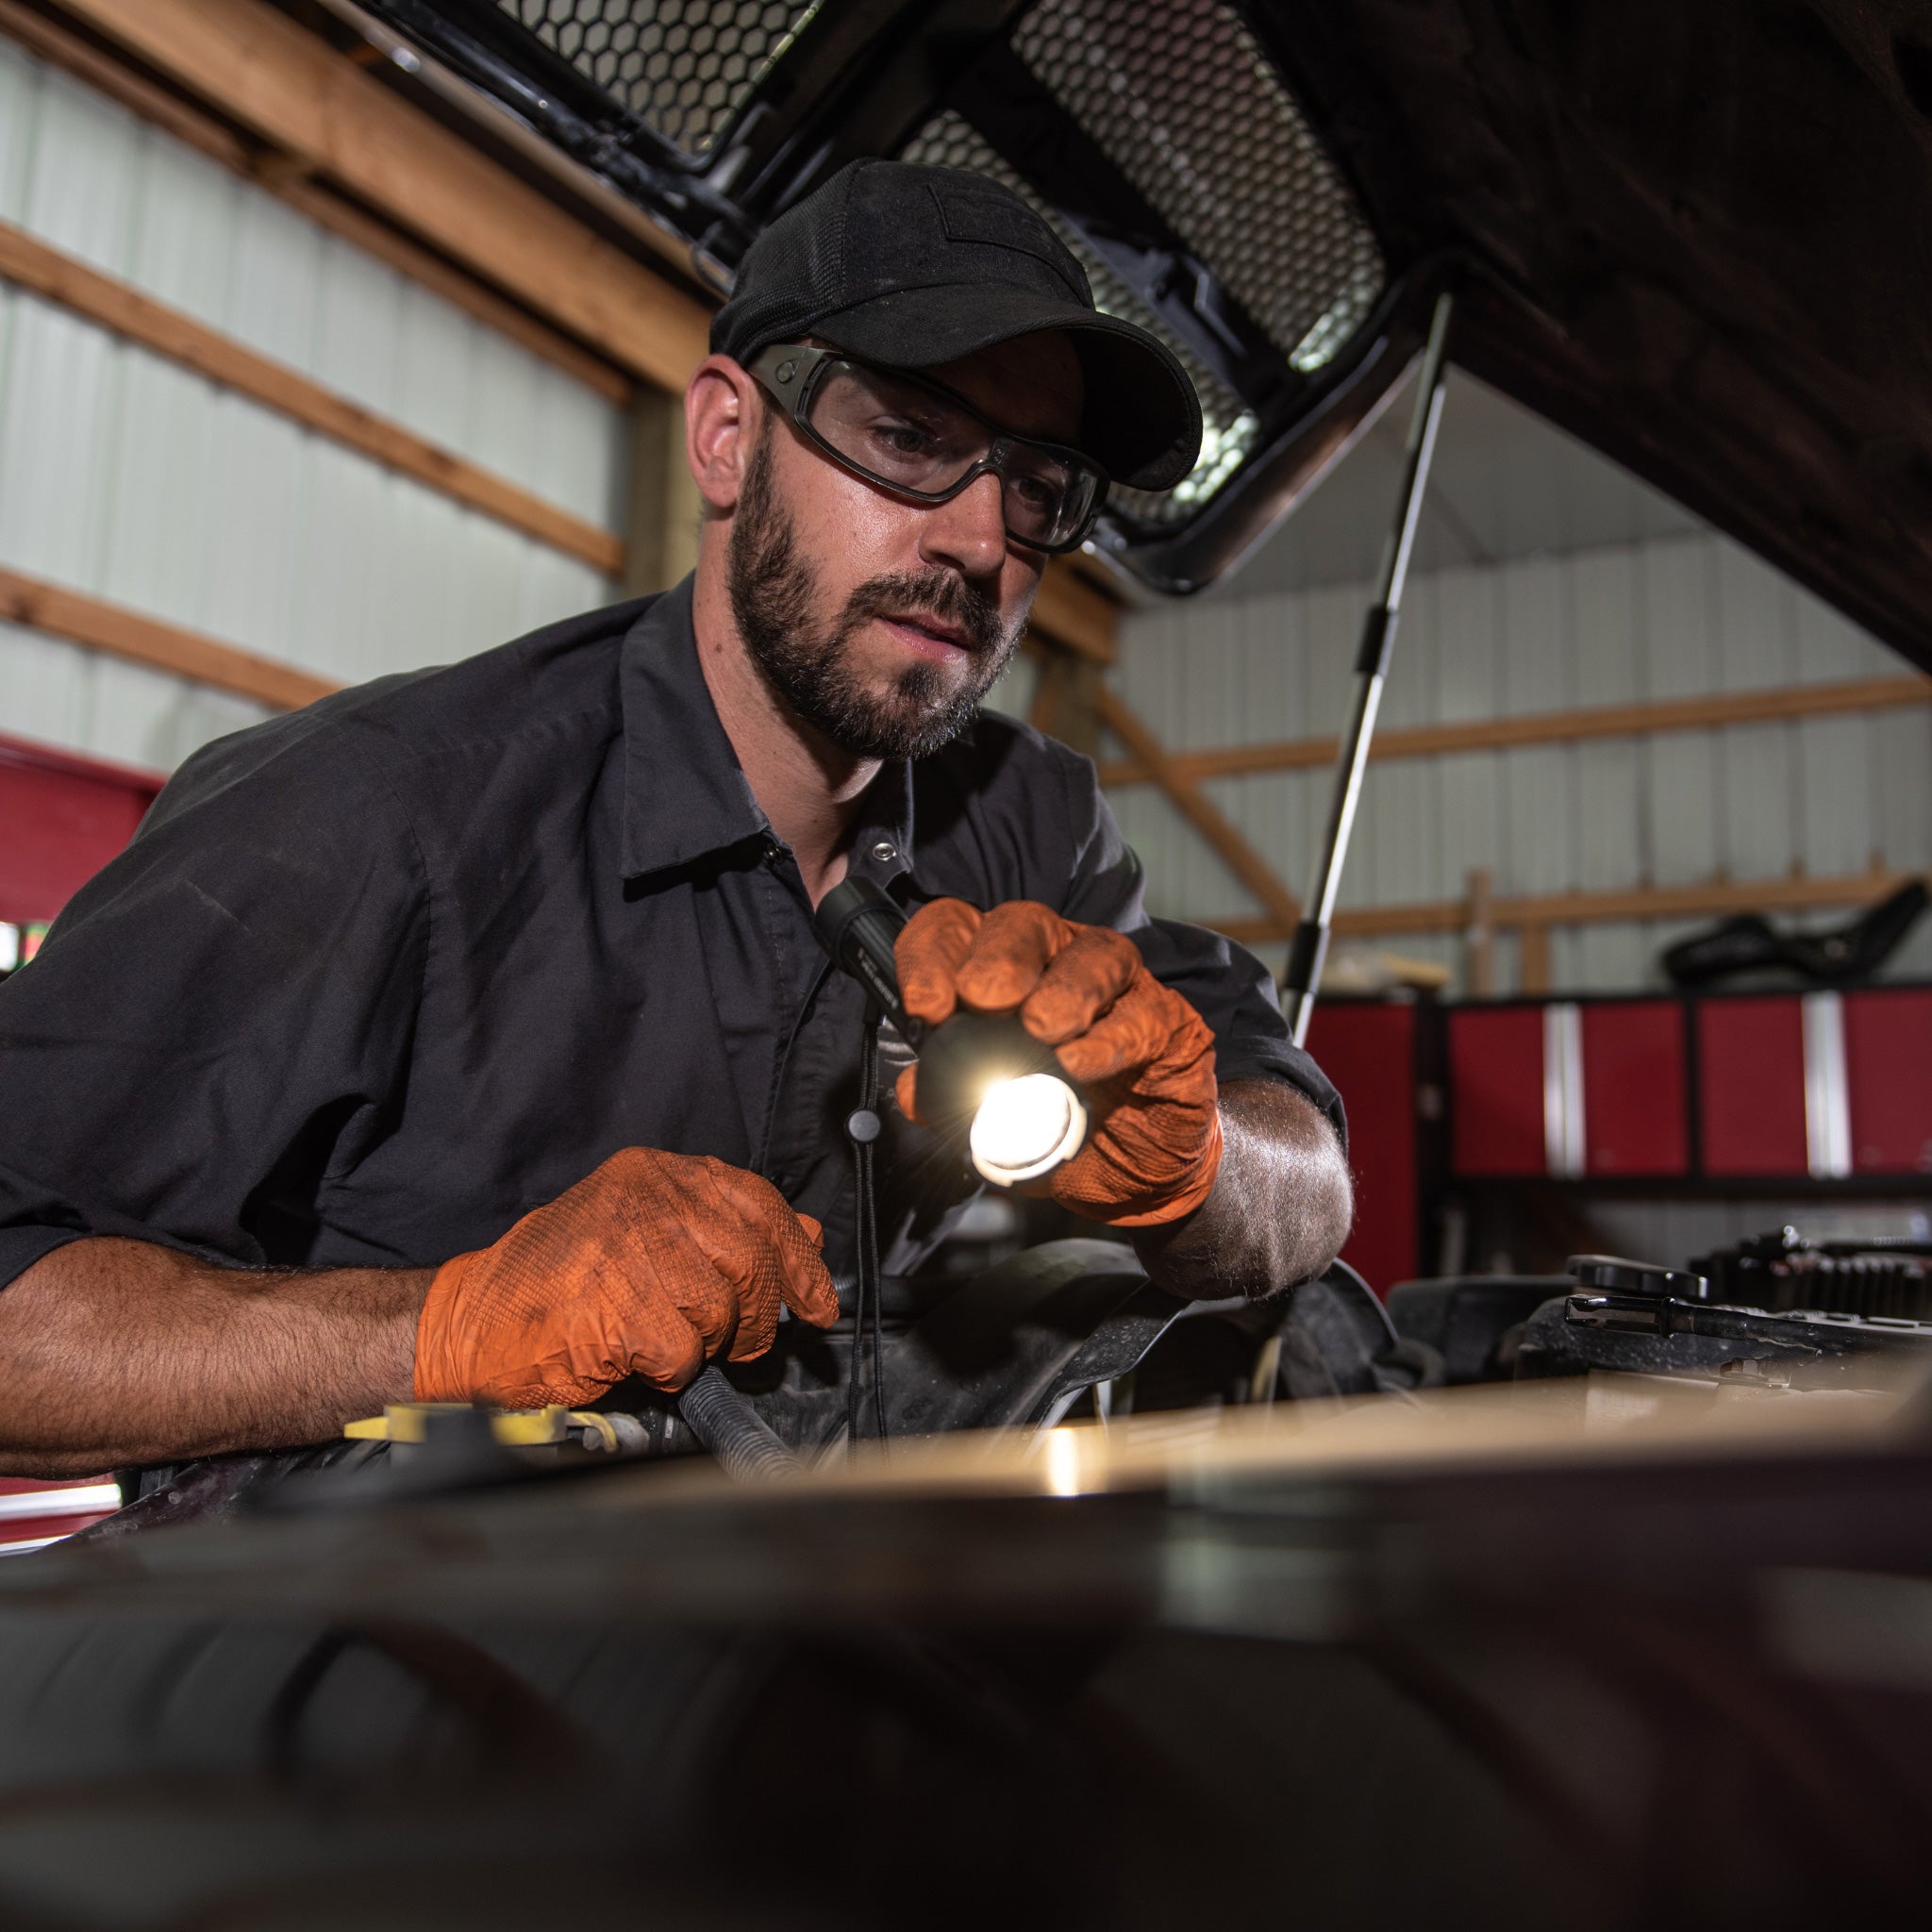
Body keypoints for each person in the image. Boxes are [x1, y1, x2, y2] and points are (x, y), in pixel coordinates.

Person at [0, 160, 1351, 1477]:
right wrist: (446, 1326)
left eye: (1036, 486)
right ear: (725, 436)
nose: (982, 544)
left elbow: (1311, 1183)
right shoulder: (374, 814)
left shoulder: (1037, 823)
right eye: (906, 439)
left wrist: (1200, 1164)